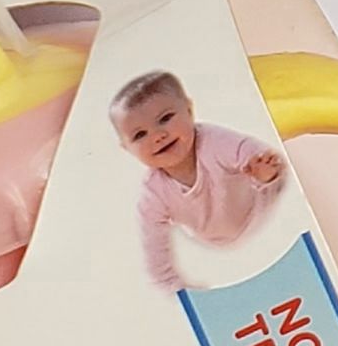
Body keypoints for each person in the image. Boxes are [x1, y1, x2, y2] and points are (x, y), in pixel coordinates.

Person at [111, 69, 287, 291]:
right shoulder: (153, 195)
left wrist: (261, 169)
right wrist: (175, 289)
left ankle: (267, 181)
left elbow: (249, 151)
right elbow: (154, 250)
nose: (157, 136)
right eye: (139, 135)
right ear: (127, 148)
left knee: (277, 180)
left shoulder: (215, 142)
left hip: (262, 211)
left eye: (165, 119)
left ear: (189, 110)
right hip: (213, 245)